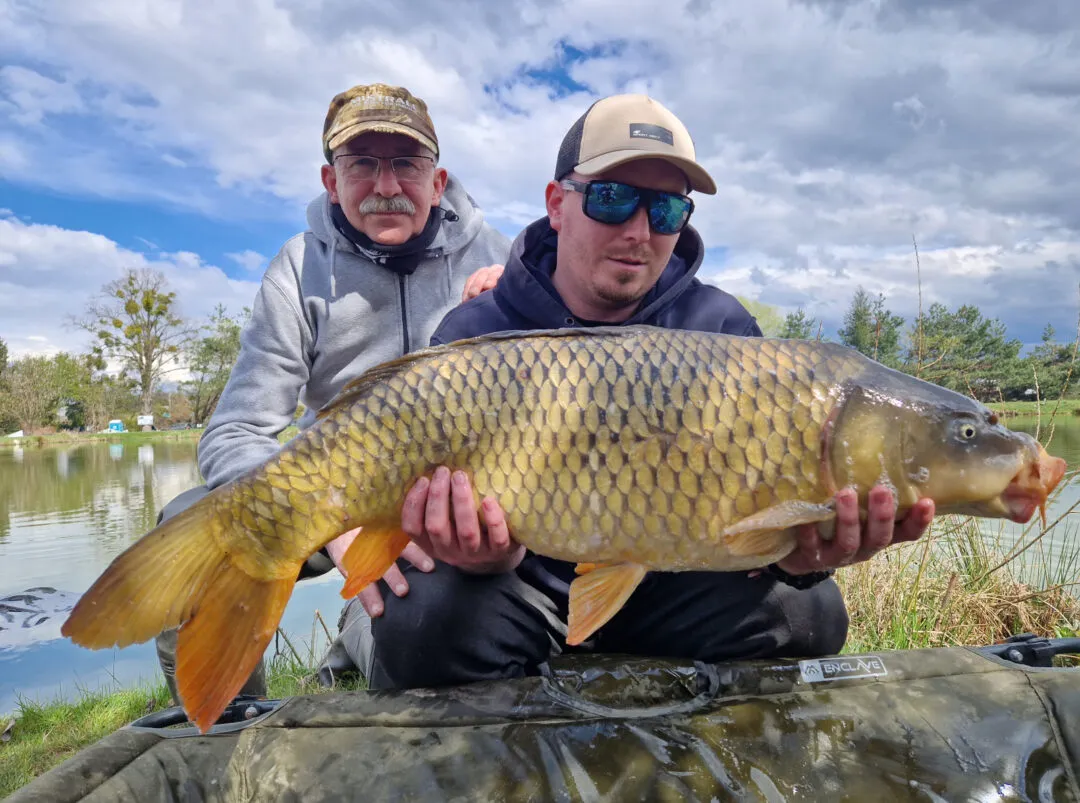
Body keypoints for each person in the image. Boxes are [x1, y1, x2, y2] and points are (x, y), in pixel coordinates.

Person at [323, 93, 936, 691]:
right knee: (422, 628)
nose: (640, 231)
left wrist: (796, 561)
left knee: (812, 616)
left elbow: (760, 537)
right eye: (613, 199)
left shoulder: (721, 329)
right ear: (557, 204)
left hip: (670, 586)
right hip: (520, 586)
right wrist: (481, 557)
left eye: (667, 210)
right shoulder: (478, 331)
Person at [152, 82, 511, 706]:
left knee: (430, 628)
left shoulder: (501, 257)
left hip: (455, 498)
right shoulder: (297, 268)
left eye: (406, 163)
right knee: (187, 525)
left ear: (437, 175)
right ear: (330, 178)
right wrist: (335, 527)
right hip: (328, 485)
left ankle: (358, 649)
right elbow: (234, 431)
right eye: (362, 164)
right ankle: (228, 719)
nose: (386, 185)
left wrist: (517, 311)